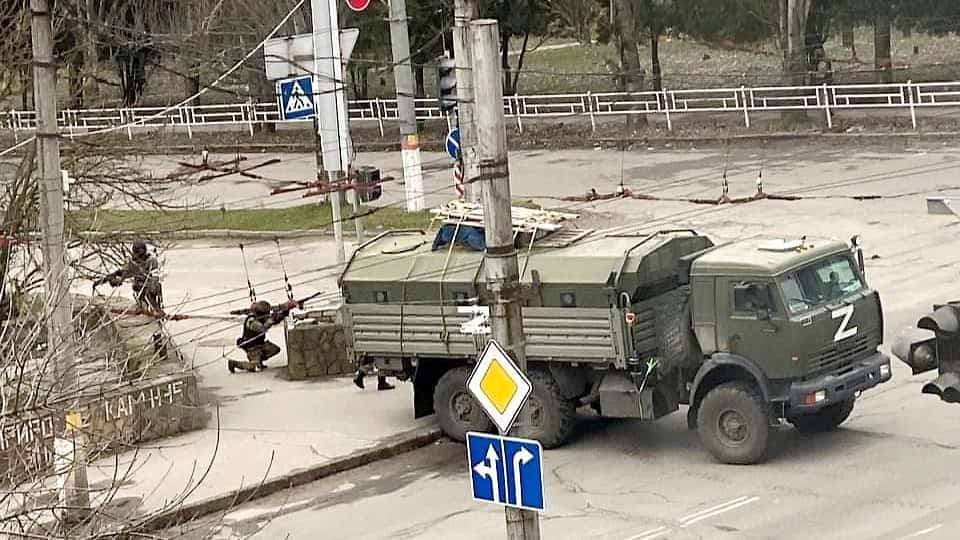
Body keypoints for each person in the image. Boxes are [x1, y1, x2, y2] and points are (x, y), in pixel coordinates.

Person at [96, 240, 163, 314]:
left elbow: (155, 276)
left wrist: (152, 285)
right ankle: (143, 307)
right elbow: (124, 272)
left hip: (150, 287)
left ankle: (156, 310)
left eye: (141, 253)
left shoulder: (151, 260)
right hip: (139, 287)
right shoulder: (133, 262)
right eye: (138, 254)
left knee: (151, 291)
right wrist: (110, 278)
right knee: (137, 288)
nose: (139, 257)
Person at [230, 299, 296, 373]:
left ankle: (259, 360)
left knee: (275, 349)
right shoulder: (251, 321)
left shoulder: (260, 317)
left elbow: (276, 320)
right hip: (252, 348)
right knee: (253, 367)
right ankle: (234, 363)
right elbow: (262, 328)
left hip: (260, 344)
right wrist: (271, 320)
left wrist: (285, 311)